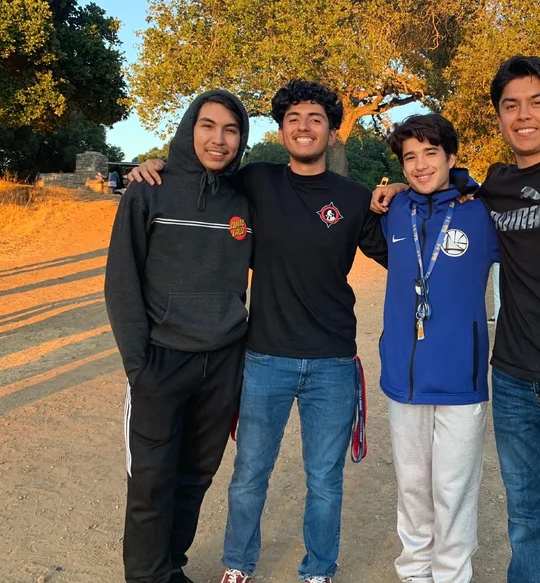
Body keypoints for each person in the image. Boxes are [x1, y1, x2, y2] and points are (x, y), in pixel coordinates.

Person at [371, 56, 540, 583]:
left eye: (537, 102)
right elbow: (443, 189)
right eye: (510, 105)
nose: (523, 115)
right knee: (525, 523)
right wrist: (402, 189)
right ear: (499, 117)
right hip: (514, 376)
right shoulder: (492, 188)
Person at [126, 80, 387, 583]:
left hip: (333, 362)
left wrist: (406, 191)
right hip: (264, 358)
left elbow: (398, 251)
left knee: (325, 480)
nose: (304, 126)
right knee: (249, 476)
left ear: (333, 132)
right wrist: (156, 164)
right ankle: (238, 566)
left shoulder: (354, 199)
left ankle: (318, 571)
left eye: (316, 119)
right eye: (293, 118)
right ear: (281, 128)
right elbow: (204, 172)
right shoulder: (257, 181)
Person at [105, 89, 253, 583]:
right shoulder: (149, 190)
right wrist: (137, 366)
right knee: (150, 482)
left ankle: (171, 568)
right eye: (208, 125)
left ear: (241, 139)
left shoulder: (245, 199)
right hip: (161, 361)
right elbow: (121, 279)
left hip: (223, 361)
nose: (219, 138)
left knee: (195, 476)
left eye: (231, 130)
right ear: (190, 128)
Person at [379, 113, 500, 583]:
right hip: (403, 381)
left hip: (461, 380)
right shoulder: (391, 210)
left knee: (453, 491)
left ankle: (451, 576)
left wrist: (469, 184)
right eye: (410, 157)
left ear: (451, 157)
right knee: (413, 489)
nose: (420, 165)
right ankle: (413, 574)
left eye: (431, 153)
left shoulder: (480, 212)